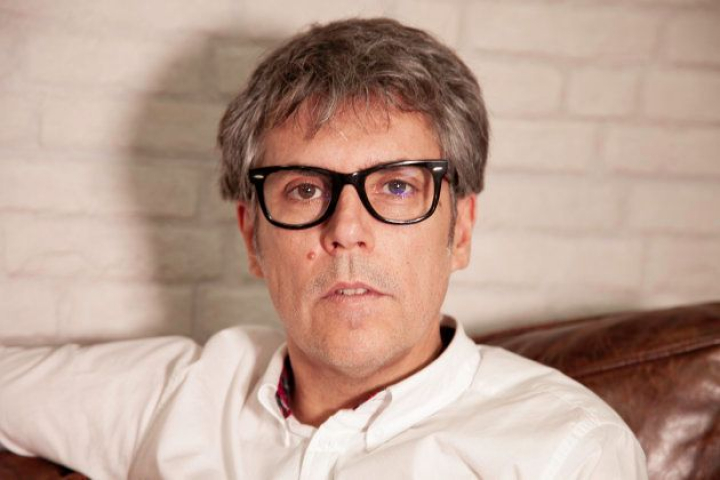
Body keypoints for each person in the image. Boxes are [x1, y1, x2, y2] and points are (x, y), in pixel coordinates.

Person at [0, 17, 647, 479]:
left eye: (397, 186)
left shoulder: (567, 453)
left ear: (461, 230)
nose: (346, 229)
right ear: (252, 237)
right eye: (305, 190)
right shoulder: (176, 396)